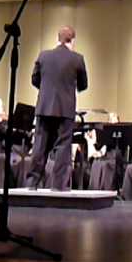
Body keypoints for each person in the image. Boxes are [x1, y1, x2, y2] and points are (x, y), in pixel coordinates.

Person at [25, 25, 88, 191]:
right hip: (65, 109)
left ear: (57, 39)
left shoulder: (43, 55)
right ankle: (58, 186)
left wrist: (47, 89)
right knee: (63, 146)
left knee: (39, 145)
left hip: (44, 107)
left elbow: (34, 79)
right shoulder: (77, 59)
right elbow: (83, 85)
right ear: (72, 41)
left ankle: (32, 184)